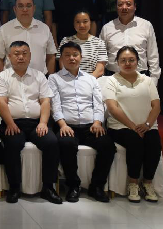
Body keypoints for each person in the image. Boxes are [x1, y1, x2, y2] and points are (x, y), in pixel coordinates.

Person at [0, 41, 62, 204]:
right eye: (16, 54)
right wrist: (10, 123)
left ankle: (48, 187)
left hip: (36, 123)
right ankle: (14, 187)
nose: (21, 57)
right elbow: (1, 102)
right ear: (9, 57)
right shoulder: (2, 76)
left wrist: (43, 123)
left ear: (30, 56)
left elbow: (45, 102)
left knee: (52, 142)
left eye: (24, 53)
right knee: (12, 144)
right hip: (13, 123)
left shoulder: (39, 76)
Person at [48, 41, 115, 203]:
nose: (72, 58)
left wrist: (98, 122)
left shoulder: (91, 79)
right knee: (66, 144)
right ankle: (73, 186)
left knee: (108, 146)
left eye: (75, 55)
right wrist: (62, 125)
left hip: (91, 126)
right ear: (61, 58)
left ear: (81, 57)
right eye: (67, 55)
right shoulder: (54, 78)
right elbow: (55, 105)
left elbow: (98, 104)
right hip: (67, 126)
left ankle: (96, 187)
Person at [103, 46, 162, 203]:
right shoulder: (112, 80)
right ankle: (133, 183)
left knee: (154, 143)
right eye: (123, 60)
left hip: (147, 126)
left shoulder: (147, 80)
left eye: (131, 60)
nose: (127, 63)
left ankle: (147, 183)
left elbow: (156, 106)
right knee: (135, 141)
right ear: (117, 62)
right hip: (120, 127)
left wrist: (147, 124)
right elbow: (112, 108)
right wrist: (132, 126)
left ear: (138, 61)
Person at [100, 0, 160, 86]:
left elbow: (153, 55)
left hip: (140, 78)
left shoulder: (146, 25)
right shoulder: (107, 28)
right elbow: (101, 56)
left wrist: (154, 80)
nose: (124, 7)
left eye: (128, 4)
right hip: (113, 78)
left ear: (135, 7)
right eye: (120, 4)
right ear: (116, 7)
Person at [0, 0, 56, 76]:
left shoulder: (44, 28)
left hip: (39, 80)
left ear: (34, 8)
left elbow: (51, 56)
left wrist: (50, 80)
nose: (25, 9)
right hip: (11, 80)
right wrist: (0, 81)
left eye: (29, 6)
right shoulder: (4, 30)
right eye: (20, 6)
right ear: (15, 9)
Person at [57, 10, 107, 78]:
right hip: (69, 80)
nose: (81, 25)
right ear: (74, 24)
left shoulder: (99, 43)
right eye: (78, 22)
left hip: (92, 81)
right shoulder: (65, 41)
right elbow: (62, 64)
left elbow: (100, 69)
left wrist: (86, 81)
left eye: (85, 21)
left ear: (90, 22)